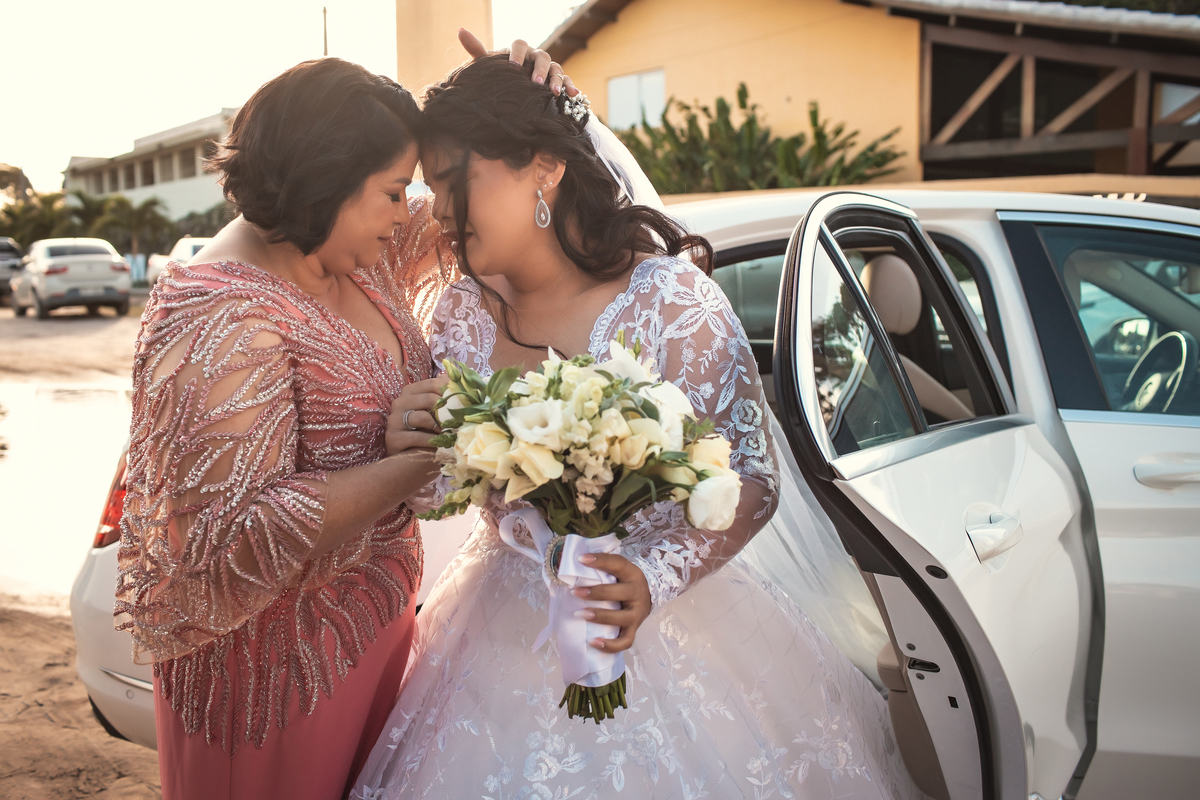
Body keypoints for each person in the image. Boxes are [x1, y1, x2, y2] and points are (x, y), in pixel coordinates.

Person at [351, 55, 926, 800]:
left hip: (669, 627)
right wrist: (414, 439)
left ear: (544, 169)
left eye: (460, 181)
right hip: (498, 634)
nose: (442, 209)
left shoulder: (672, 301)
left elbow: (752, 476)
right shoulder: (458, 311)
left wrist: (650, 580)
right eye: (432, 185)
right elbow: (446, 483)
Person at [115, 38, 574, 800]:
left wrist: (537, 111)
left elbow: (497, 197)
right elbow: (232, 542)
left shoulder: (360, 252)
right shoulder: (214, 316)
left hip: (379, 638)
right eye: (394, 190)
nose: (410, 213)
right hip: (271, 675)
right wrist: (436, 454)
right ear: (325, 181)